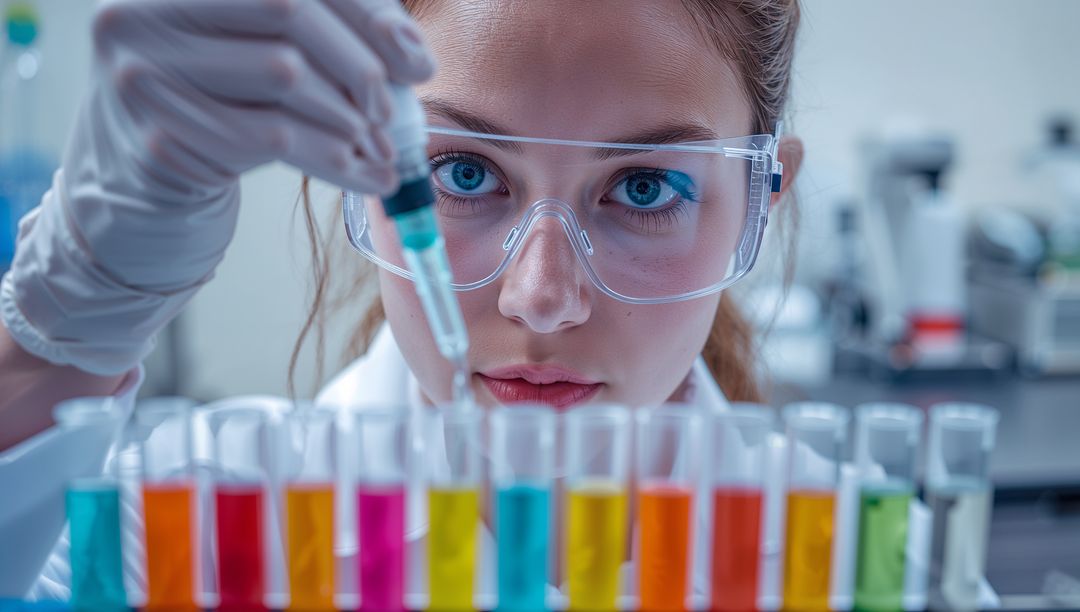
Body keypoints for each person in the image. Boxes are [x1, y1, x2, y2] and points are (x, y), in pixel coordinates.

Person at [6, 0, 977, 606]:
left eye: (644, 189)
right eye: (464, 170)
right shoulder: (177, 522)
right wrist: (65, 322)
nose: (542, 299)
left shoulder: (868, 554)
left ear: (758, 201)